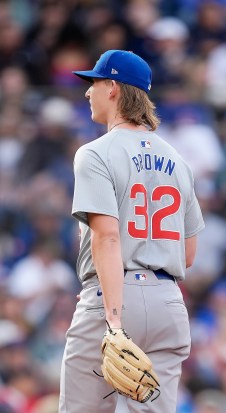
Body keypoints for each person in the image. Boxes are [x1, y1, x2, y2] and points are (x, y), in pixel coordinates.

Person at [59, 50, 205, 412]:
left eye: (93, 83)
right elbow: (187, 255)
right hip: (168, 302)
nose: (87, 92)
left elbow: (107, 237)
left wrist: (113, 317)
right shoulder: (178, 160)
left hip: (112, 298)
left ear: (112, 87)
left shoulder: (95, 153)